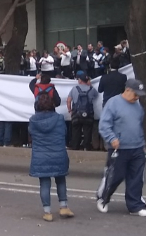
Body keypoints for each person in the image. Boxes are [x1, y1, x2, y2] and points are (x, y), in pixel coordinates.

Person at [96, 79, 146, 216]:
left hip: (137, 147)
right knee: (115, 176)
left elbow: (139, 126)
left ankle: (135, 206)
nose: (137, 97)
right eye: (135, 94)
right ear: (127, 90)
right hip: (118, 148)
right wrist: (111, 138)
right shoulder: (113, 103)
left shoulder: (138, 106)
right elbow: (104, 124)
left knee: (136, 177)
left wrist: (143, 145)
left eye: (139, 95)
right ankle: (103, 198)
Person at [29, 93, 73, 221]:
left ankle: (47, 212)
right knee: (60, 180)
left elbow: (31, 135)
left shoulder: (33, 121)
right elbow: (64, 133)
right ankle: (64, 207)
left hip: (40, 156)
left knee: (44, 183)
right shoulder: (59, 118)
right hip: (58, 153)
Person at [67, 71, 98, 151]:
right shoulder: (92, 89)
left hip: (76, 113)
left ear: (80, 80)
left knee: (76, 130)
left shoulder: (74, 89)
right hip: (88, 113)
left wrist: (70, 110)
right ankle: (86, 147)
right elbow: (96, 95)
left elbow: (69, 100)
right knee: (87, 130)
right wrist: (89, 84)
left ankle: (75, 146)